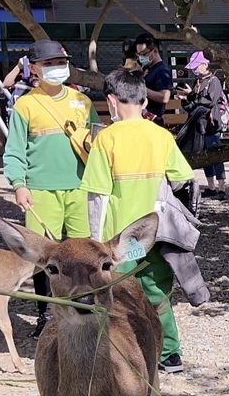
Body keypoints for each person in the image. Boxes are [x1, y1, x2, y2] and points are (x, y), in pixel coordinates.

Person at [80, 68, 195, 374]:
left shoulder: (106, 139)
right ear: (145, 101)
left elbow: (97, 196)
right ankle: (170, 353)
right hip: (157, 236)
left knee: (121, 294)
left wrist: (96, 241)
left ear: (111, 101)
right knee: (158, 293)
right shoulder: (160, 136)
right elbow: (184, 179)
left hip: (122, 241)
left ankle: (127, 351)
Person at [3, 39, 95, 337]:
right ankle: (46, 315)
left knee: (86, 254)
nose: (57, 68)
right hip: (40, 191)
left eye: (60, 62)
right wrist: (19, 184)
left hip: (80, 188)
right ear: (36, 69)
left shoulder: (83, 102)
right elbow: (15, 150)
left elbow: (98, 141)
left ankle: (87, 305)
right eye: (50, 64)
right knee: (43, 257)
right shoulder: (25, 105)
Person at [177, 51, 227, 198]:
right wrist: (185, 99)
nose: (194, 70)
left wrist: (191, 95)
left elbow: (209, 101)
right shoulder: (197, 82)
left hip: (212, 124)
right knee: (205, 157)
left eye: (196, 66)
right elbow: (193, 104)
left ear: (205, 64)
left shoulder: (214, 81)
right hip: (199, 126)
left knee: (216, 155)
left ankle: (222, 188)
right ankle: (211, 187)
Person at [134, 33, 172, 124]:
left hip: (153, 120)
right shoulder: (148, 67)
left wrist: (141, 88)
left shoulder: (162, 70)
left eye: (143, 54)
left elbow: (165, 97)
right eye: (139, 54)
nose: (141, 57)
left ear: (155, 51)